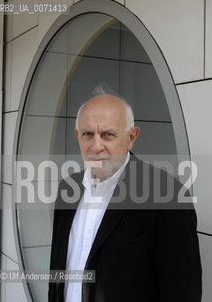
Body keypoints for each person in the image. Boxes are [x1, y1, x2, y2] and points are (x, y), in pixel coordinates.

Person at [49, 89, 202, 302]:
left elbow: (182, 292)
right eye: (87, 134)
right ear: (77, 135)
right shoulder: (67, 189)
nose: (96, 146)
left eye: (107, 135)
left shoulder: (168, 196)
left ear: (131, 137)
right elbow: (58, 270)